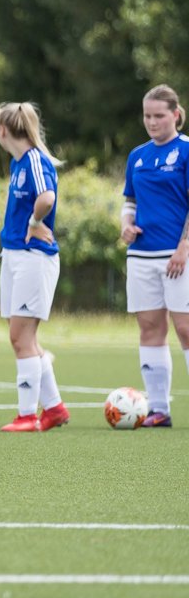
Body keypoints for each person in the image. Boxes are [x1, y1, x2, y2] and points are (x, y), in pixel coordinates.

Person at [0, 102, 68, 432]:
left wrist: (36, 221)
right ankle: (54, 409)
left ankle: (27, 416)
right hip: (14, 255)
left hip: (34, 258)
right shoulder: (18, 162)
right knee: (24, 338)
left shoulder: (35, 160)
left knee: (20, 337)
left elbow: (47, 197)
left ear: (2, 130)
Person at [121, 84, 189, 428]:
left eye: (159, 115)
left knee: (186, 328)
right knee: (150, 328)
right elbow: (129, 202)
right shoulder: (138, 156)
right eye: (147, 115)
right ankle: (159, 409)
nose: (152, 121)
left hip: (178, 256)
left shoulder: (187, 150)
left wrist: (184, 247)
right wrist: (126, 226)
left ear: (175, 114)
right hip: (141, 256)